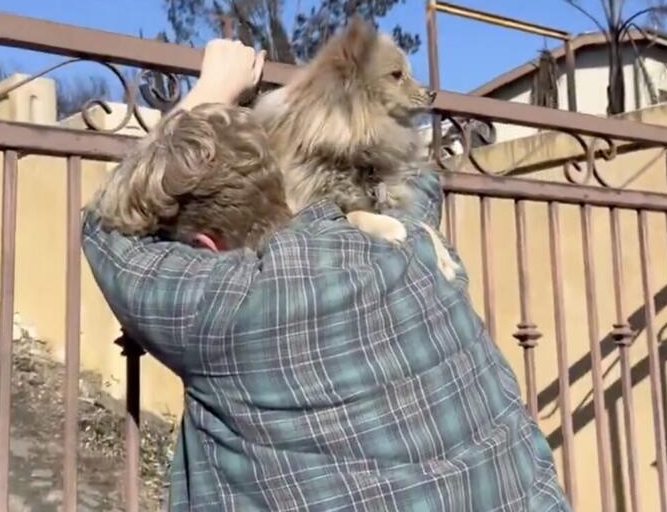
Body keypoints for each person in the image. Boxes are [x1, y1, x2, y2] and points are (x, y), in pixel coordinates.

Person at [82, 40, 570, 511]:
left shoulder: (225, 306)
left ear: (206, 248)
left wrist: (212, 89)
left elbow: (106, 228)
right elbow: (416, 177)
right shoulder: (411, 241)